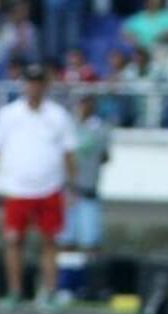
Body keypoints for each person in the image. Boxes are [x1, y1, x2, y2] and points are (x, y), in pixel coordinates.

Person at [0, 63, 77, 313]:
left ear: (46, 86)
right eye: (30, 82)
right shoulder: (8, 114)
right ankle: (15, 291)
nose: (34, 87)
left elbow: (69, 153)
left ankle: (49, 292)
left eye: (39, 82)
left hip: (50, 186)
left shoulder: (58, 116)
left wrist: (72, 186)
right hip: (17, 187)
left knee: (49, 241)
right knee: (14, 240)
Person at [59, 94, 110, 259]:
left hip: (88, 188)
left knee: (91, 240)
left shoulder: (100, 129)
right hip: (68, 190)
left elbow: (104, 156)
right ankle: (67, 279)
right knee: (66, 240)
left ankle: (90, 278)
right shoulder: (69, 127)